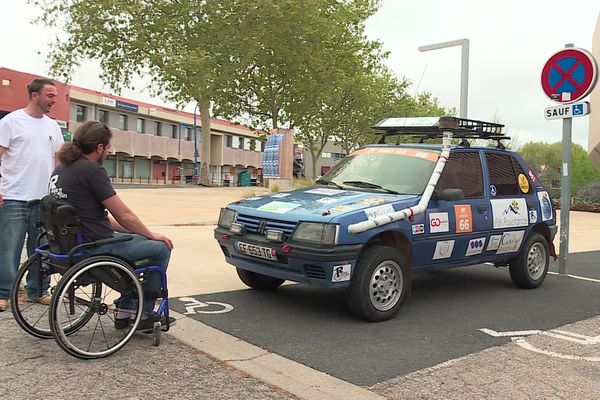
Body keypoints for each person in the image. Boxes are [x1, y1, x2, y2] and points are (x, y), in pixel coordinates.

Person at [49, 120, 173, 330]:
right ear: (99, 148)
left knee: (138, 240)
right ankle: (140, 313)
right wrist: (151, 235)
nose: (108, 151)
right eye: (107, 147)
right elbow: (124, 214)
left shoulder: (62, 168)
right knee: (160, 249)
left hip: (68, 243)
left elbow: (102, 219)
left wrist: (142, 233)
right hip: (95, 245)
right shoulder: (92, 170)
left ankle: (127, 307)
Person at [0, 78, 64, 312]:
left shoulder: (52, 126)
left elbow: (59, 160)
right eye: (50, 96)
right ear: (35, 95)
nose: (54, 101)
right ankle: (3, 293)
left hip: (44, 200)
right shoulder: (11, 122)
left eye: (56, 96)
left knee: (42, 248)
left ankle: (37, 291)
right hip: (14, 196)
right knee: (8, 248)